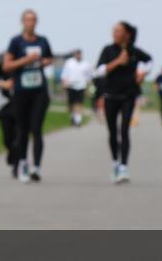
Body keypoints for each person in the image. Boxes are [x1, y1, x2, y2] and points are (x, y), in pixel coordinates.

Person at [94, 21, 153, 184]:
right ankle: (115, 163)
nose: (114, 33)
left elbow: (149, 61)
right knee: (112, 132)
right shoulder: (108, 50)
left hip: (128, 96)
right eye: (113, 30)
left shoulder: (134, 51)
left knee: (124, 130)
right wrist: (117, 62)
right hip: (110, 96)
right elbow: (98, 71)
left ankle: (124, 166)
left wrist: (143, 72)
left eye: (118, 30)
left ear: (127, 33)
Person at [2, 9, 54, 183]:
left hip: (39, 90)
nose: (30, 23)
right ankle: (23, 163)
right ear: (22, 22)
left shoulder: (43, 40)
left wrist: (45, 61)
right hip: (21, 92)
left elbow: (49, 58)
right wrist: (27, 60)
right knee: (22, 129)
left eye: (33, 20)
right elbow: (7, 66)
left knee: (37, 128)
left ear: (36, 22)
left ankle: (36, 167)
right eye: (27, 20)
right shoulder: (15, 42)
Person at [0, 62, 18, 178]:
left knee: (19, 137)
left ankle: (17, 166)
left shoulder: (27, 60)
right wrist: (3, 84)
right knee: (7, 138)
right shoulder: (5, 62)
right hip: (4, 105)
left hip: (21, 104)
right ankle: (10, 151)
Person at [60, 49, 92, 127]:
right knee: (71, 104)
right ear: (74, 55)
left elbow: (89, 77)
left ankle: (78, 120)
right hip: (71, 86)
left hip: (81, 86)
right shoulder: (69, 63)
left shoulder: (86, 64)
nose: (78, 55)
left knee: (79, 103)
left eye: (79, 54)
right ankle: (73, 117)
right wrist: (64, 85)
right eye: (77, 54)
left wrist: (88, 89)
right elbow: (64, 74)